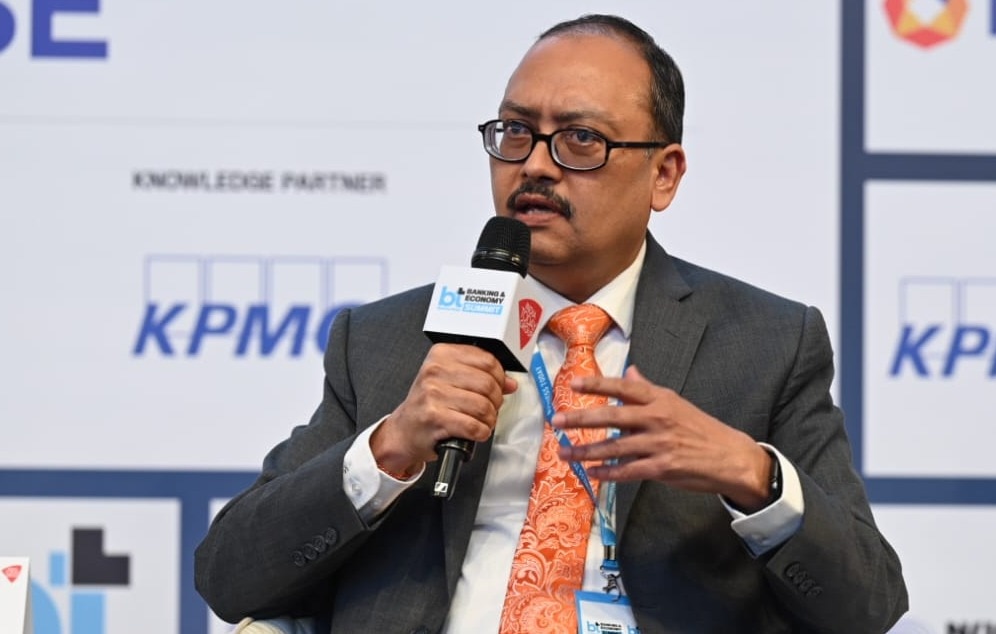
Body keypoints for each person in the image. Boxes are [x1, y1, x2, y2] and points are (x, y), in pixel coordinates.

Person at [196, 14, 909, 634]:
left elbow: (868, 605)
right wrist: (388, 450)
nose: (535, 165)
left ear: (663, 174)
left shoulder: (765, 344)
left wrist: (750, 474)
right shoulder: (390, 339)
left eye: (580, 139)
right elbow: (229, 578)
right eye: (515, 132)